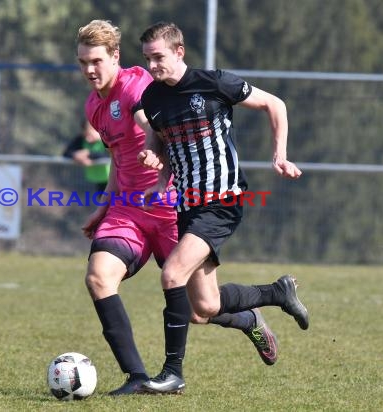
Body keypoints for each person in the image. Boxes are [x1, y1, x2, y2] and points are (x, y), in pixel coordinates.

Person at [75, 19, 279, 396]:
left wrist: (154, 147)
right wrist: (103, 207)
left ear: (115, 57)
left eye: (97, 61)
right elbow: (119, 161)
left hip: (171, 208)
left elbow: (146, 117)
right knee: (98, 277)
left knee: (203, 309)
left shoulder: (140, 85)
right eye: (83, 62)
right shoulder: (94, 107)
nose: (89, 70)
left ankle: (252, 314)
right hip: (128, 212)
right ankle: (137, 376)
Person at [137, 21, 309, 394]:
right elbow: (163, 142)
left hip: (221, 202)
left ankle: (172, 374)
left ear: (179, 52)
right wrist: (157, 170)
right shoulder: (151, 99)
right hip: (186, 204)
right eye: (148, 58)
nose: (152, 66)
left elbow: (273, 103)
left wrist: (279, 155)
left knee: (171, 275)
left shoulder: (213, 82)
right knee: (204, 309)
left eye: (159, 57)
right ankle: (272, 297)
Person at [63, 119, 110, 193]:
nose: (88, 138)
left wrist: (88, 153)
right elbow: (66, 153)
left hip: (113, 180)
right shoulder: (81, 139)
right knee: (103, 202)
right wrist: (76, 155)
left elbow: (109, 155)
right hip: (95, 180)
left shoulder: (106, 137)